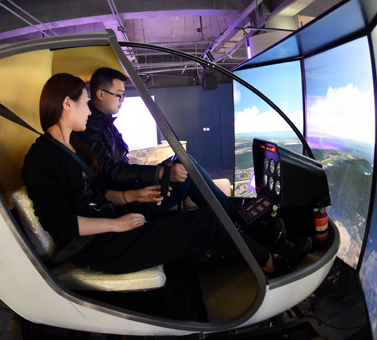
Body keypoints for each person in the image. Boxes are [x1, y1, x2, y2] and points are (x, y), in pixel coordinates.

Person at [21, 73, 286, 284]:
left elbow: (101, 191)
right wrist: (116, 225)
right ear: (67, 104)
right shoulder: (41, 158)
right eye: (84, 103)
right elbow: (60, 225)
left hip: (113, 223)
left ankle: (240, 237)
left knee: (196, 216)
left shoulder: (77, 148)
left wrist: (133, 196)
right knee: (204, 222)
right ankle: (271, 263)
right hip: (97, 247)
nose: (89, 112)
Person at [77, 67, 237, 217]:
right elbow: (110, 171)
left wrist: (160, 170)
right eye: (119, 95)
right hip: (126, 201)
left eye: (123, 95)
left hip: (129, 188)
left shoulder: (104, 123)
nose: (122, 100)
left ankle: (231, 216)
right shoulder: (91, 126)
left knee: (184, 161)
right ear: (100, 94)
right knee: (188, 173)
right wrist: (161, 172)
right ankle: (234, 220)